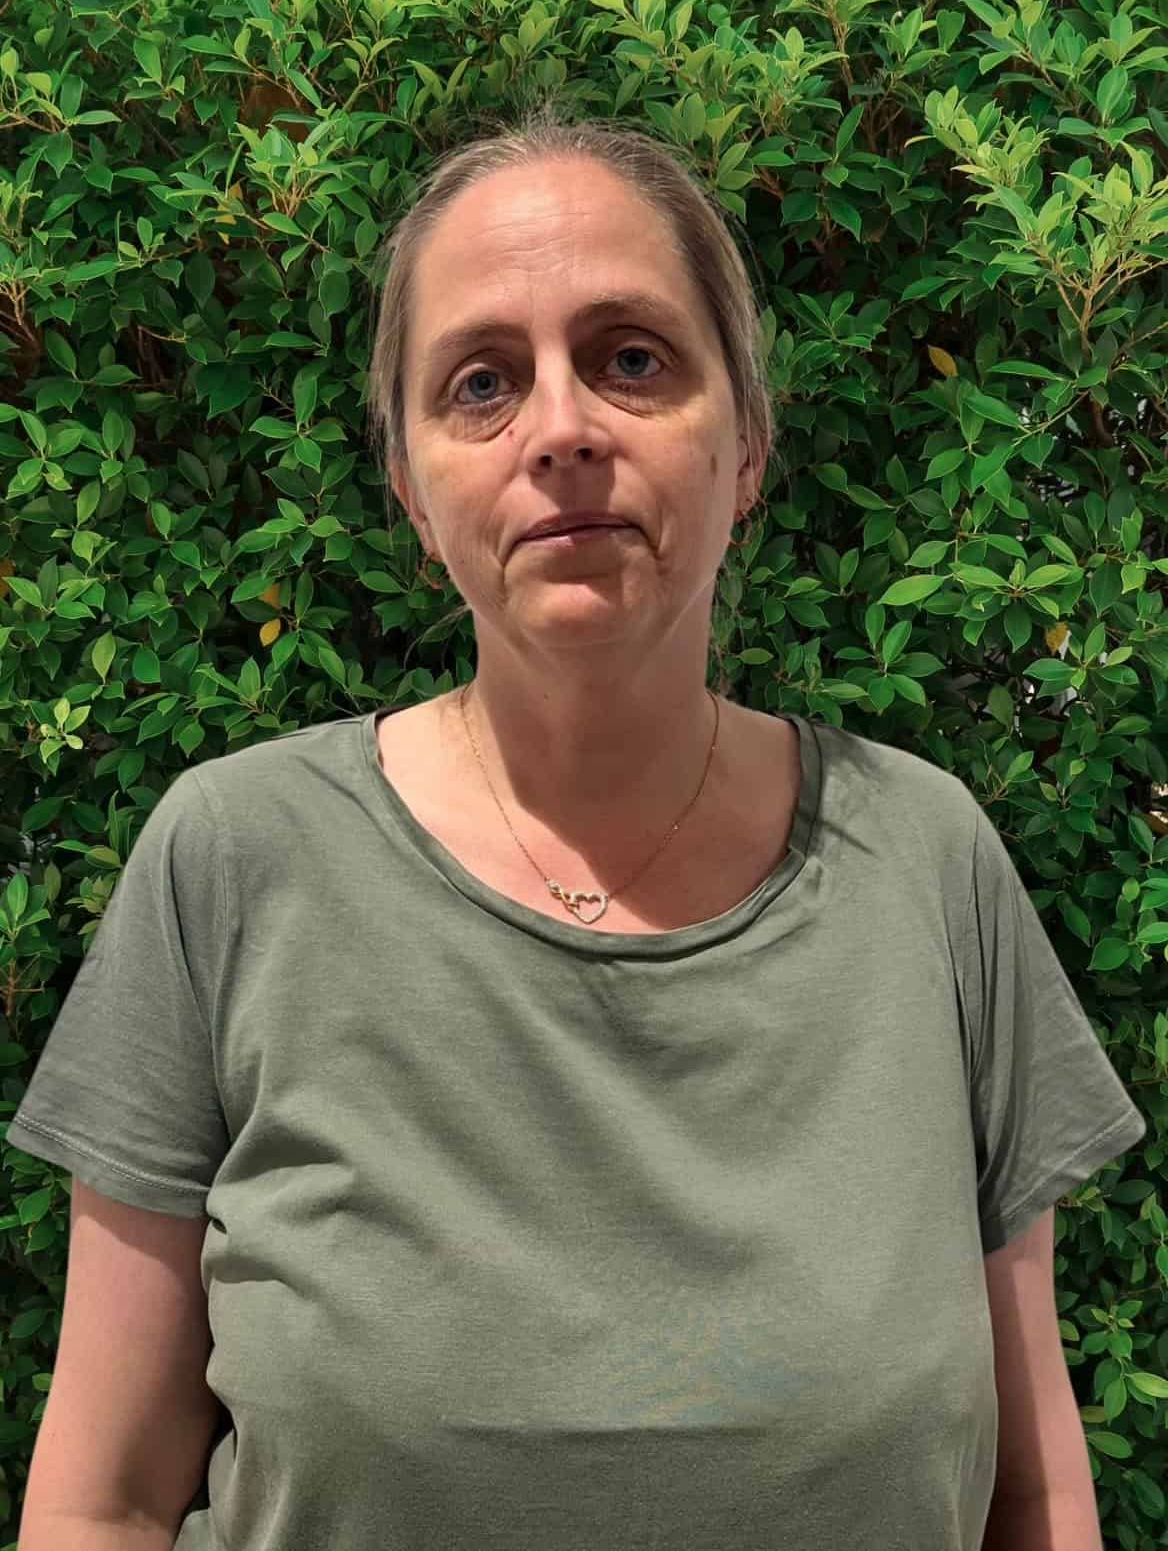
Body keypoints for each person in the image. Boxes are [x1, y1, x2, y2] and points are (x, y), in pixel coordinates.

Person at [8, 100, 1145, 1551]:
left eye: (632, 359)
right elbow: (100, 1501)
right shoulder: (232, 863)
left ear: (746, 444)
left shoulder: (928, 865)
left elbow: (1032, 1496)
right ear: (414, 491)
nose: (562, 429)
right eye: (482, 382)